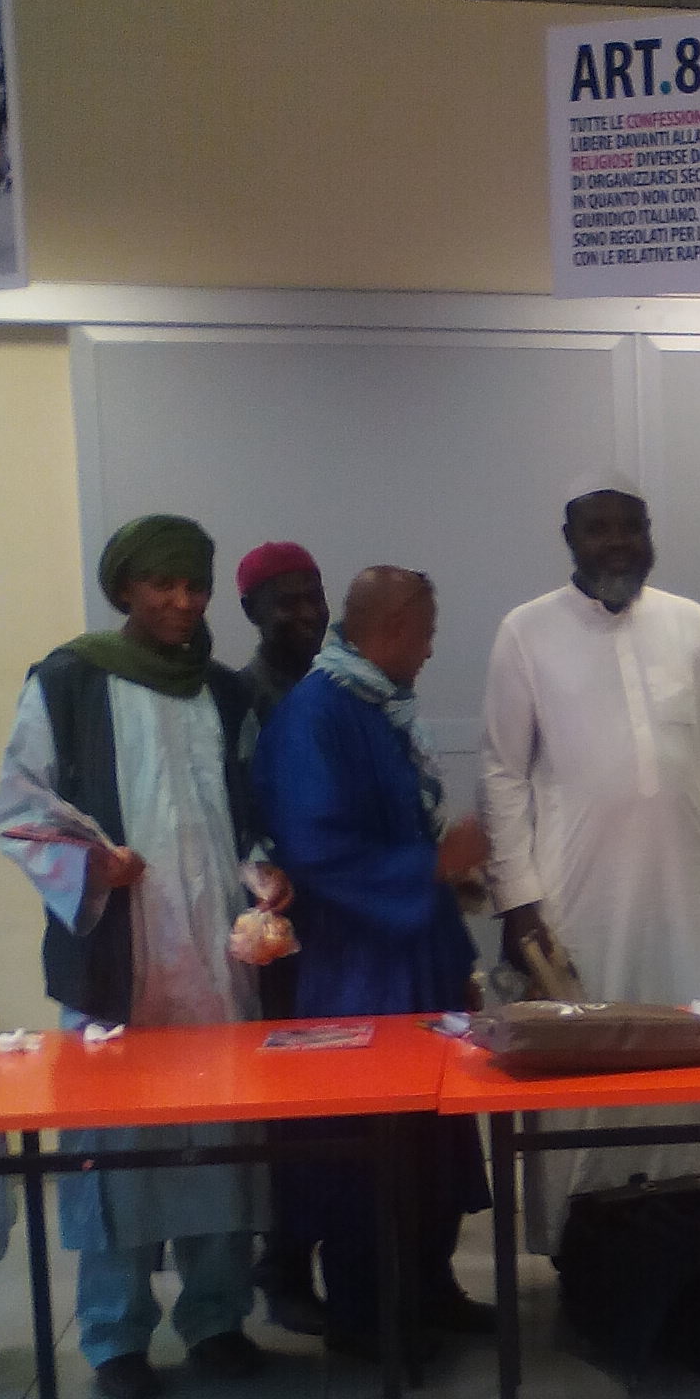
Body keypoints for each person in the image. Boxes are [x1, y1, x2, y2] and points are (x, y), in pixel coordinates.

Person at [0, 514, 279, 1399]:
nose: (182, 602)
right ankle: (114, 1334)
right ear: (125, 588)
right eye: (162, 584)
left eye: (196, 586)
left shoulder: (224, 693)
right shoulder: (69, 681)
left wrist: (265, 876)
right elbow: (19, 809)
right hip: (120, 962)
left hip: (218, 965)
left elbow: (251, 808)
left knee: (221, 1140)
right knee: (115, 1150)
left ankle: (216, 1317)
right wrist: (93, 865)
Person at [479, 486, 700, 1249]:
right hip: (578, 893)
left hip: (689, 884)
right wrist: (518, 900)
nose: (617, 542)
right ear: (569, 536)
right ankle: (583, 1240)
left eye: (631, 528)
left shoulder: (690, 623)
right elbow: (503, 772)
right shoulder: (525, 631)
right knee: (585, 1062)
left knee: (694, 1053)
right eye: (598, 529)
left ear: (649, 534)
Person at [254, 566, 493, 1358]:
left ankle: (428, 1287)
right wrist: (434, 864)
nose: (429, 651)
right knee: (366, 1144)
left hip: (416, 958)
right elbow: (317, 852)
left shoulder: (380, 706)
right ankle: (366, 1317)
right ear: (390, 630)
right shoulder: (315, 715)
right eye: (425, 634)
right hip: (356, 971)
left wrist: (447, 883)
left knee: (434, 1135)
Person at [235, 538, 330, 1332]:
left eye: (313, 597)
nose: (304, 614)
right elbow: (237, 815)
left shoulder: (338, 684)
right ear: (251, 612)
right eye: (285, 602)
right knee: (293, 1109)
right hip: (280, 936)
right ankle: (285, 1265)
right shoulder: (240, 698)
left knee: (350, 1100)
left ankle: (374, 1260)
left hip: (344, 925)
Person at [236, 541, 329, 724]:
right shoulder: (234, 701)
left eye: (315, 598)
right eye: (289, 603)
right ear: (251, 610)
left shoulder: (348, 688)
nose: (309, 614)